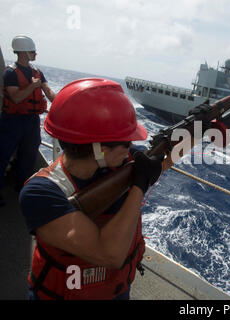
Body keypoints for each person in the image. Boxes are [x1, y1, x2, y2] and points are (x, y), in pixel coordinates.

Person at [18, 78, 171, 300]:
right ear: (98, 148)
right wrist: (139, 185)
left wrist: (201, 126)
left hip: (116, 289)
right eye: (126, 142)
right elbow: (109, 254)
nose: (132, 146)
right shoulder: (40, 193)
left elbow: (165, 158)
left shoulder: (120, 161)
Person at [0, 35, 56, 206]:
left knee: (29, 154)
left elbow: (48, 92)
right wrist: (32, 86)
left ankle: (22, 188)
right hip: (12, 120)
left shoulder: (37, 72)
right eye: (33, 51)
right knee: (3, 154)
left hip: (31, 121)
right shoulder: (10, 73)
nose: (35, 54)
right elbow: (16, 98)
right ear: (23, 52)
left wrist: (64, 102)